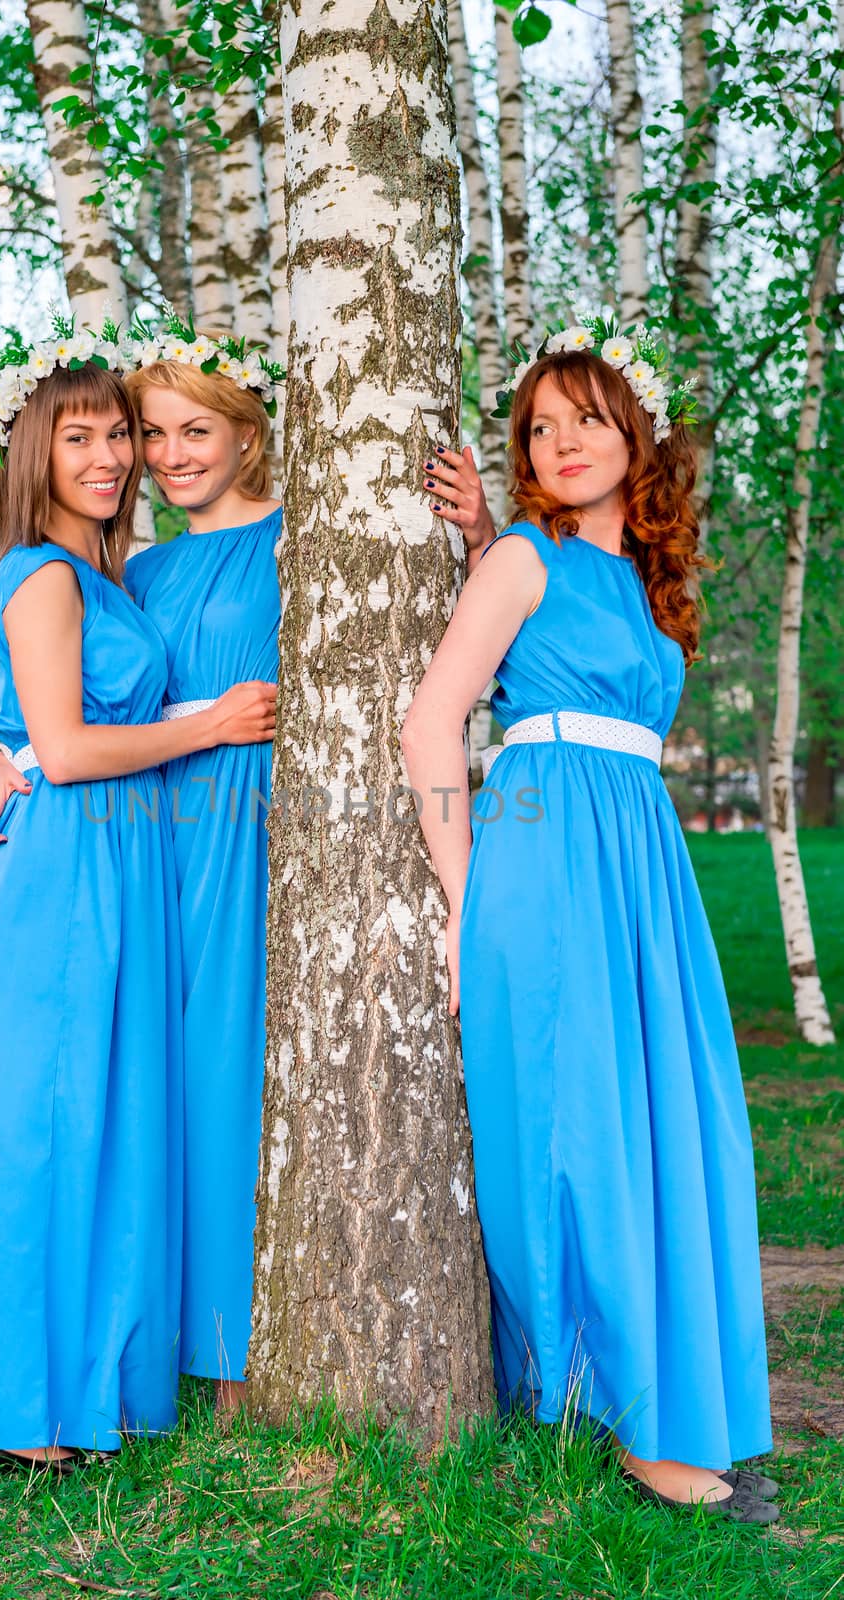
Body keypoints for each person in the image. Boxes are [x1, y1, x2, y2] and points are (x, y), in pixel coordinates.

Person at [0, 322, 275, 1471]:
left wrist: (6, 766)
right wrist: (210, 723)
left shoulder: (110, 576)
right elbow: (70, 746)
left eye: (117, 435)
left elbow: (35, 738)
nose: (111, 457)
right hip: (57, 875)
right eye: (78, 437)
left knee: (76, 1128)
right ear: (33, 452)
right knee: (29, 1129)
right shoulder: (40, 572)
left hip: (113, 864)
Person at [402, 315, 777, 1522]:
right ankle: (622, 1417)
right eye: (540, 428)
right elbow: (430, 728)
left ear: (636, 433)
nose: (563, 442)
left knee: (680, 1120)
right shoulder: (523, 555)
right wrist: (467, 903)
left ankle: (681, 1385)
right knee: (578, 1130)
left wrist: (477, 545)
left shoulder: (644, 577)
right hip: (544, 850)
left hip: (641, 858)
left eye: (588, 419)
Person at [0, 310, 284, 1414]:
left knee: (220, 1073)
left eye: (192, 430)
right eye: (149, 433)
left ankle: (228, 1343)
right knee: (136, 1092)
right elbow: (64, 717)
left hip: (233, 828)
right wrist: (8, 771)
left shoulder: (296, 539)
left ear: (248, 432)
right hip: (131, 835)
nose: (154, 455)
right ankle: (141, 1343)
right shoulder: (123, 567)